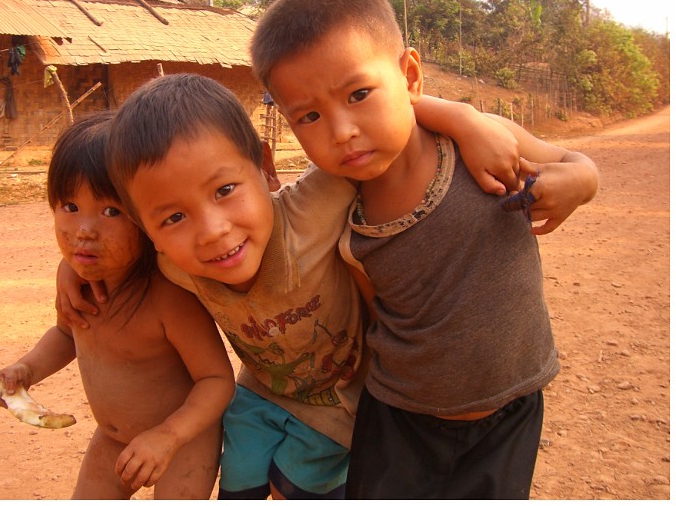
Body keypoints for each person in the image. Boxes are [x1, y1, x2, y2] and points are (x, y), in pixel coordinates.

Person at [57, 74, 525, 499]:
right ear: (147, 228)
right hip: (258, 396)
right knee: (239, 485)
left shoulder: (312, 208)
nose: (213, 231)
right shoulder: (175, 264)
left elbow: (385, 123)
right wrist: (74, 270)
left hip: (340, 403)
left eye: (224, 191)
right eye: (175, 217)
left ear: (264, 163)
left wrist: (466, 121)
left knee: (298, 487)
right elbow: (112, 247)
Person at [249, 0, 600, 500]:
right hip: (399, 421)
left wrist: (578, 180)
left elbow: (578, 164)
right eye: (310, 116)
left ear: (410, 75)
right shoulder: (336, 207)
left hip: (510, 414)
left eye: (360, 93)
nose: (341, 130)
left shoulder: (481, 147)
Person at [0, 111, 235, 499]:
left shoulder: (168, 298)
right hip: (113, 439)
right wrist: (27, 369)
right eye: (70, 206)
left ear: (146, 219)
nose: (84, 230)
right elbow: (66, 334)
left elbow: (216, 381)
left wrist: (168, 436)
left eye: (111, 211)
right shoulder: (75, 284)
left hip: (182, 440)